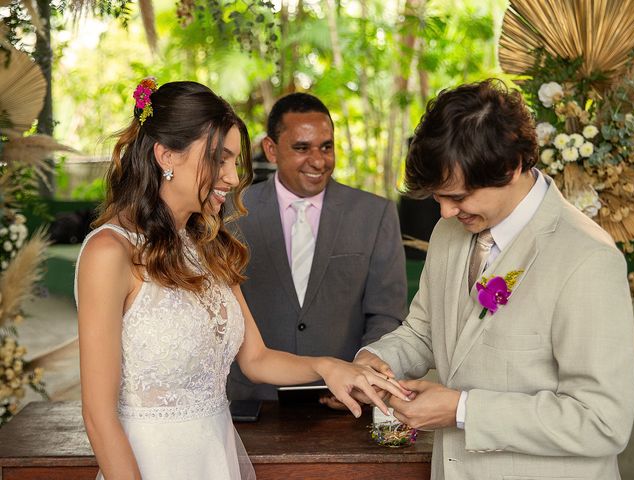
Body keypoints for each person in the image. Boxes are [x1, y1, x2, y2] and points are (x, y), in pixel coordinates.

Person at [75, 79, 409, 480]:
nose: (232, 179)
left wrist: (331, 366)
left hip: (217, 459)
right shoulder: (109, 253)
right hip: (152, 464)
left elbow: (256, 360)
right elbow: (98, 414)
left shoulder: (208, 245)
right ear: (165, 155)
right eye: (219, 159)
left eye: (235, 162)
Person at [355, 79, 634, 479]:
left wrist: (462, 409)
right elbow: (424, 332)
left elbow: (602, 421)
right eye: (438, 197)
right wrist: (377, 360)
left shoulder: (588, 259)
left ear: (511, 166)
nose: (447, 213)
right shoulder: (449, 234)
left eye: (458, 196)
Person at [227, 92, 407, 403]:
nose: (318, 161)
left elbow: (387, 314)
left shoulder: (374, 213)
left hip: (345, 402)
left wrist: (366, 376)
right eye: (301, 148)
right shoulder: (228, 213)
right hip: (252, 401)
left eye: (326, 147)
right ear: (271, 149)